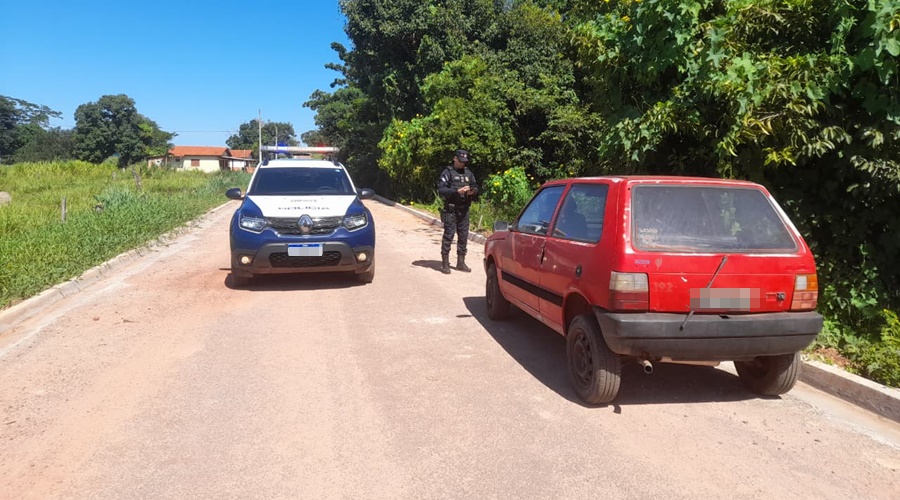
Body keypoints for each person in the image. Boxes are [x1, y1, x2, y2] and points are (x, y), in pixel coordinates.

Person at [437, 149, 478, 274]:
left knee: (463, 236)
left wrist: (472, 191)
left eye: (465, 162)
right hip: (451, 209)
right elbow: (441, 189)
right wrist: (456, 191)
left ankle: (461, 262)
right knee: (449, 235)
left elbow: (475, 186)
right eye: (461, 161)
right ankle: (445, 263)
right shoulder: (448, 172)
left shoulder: (468, 173)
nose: (463, 164)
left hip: (464, 209)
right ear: (455, 158)